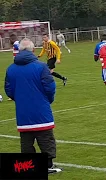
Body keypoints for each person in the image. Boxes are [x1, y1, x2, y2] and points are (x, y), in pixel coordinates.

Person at [4, 38, 62, 174]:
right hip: (41, 111)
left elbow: (8, 89)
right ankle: (48, 165)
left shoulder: (11, 69)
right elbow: (50, 87)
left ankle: (28, 167)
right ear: (33, 50)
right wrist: (47, 101)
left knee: (26, 141)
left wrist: (19, 99)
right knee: (46, 138)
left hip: (23, 113)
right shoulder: (42, 67)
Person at [7, 34, 20, 101]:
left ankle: (13, 94)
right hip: (17, 63)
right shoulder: (17, 43)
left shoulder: (16, 44)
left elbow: (21, 50)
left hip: (18, 64)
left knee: (14, 79)